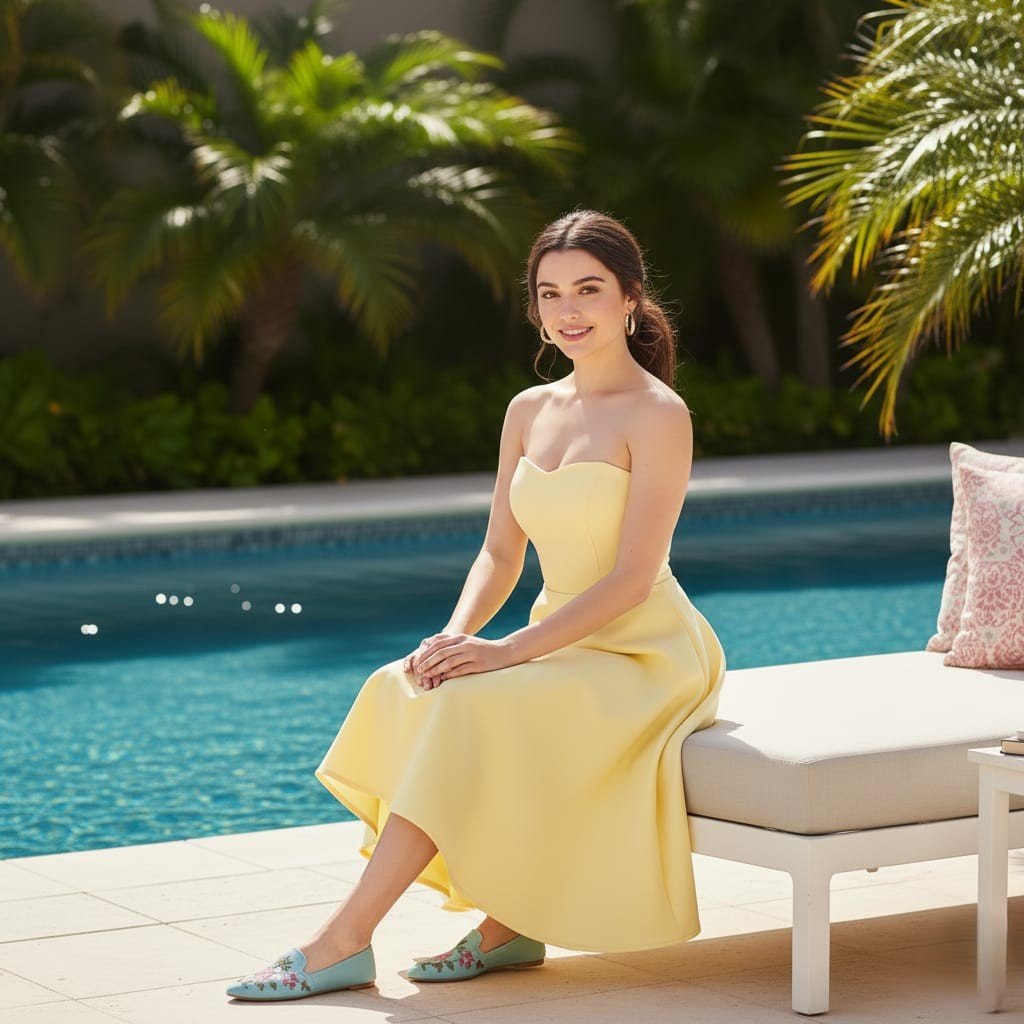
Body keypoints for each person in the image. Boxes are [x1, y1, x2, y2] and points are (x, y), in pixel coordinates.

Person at [226, 208, 727, 1001]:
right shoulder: (528, 410)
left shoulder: (659, 414)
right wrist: (456, 636)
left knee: (469, 709)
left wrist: (505, 653)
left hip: (645, 652)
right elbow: (501, 551)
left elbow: (634, 577)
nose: (568, 311)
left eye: (589, 290)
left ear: (630, 298)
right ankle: (511, 925)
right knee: (407, 681)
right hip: (554, 639)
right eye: (550, 293)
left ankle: (342, 941)